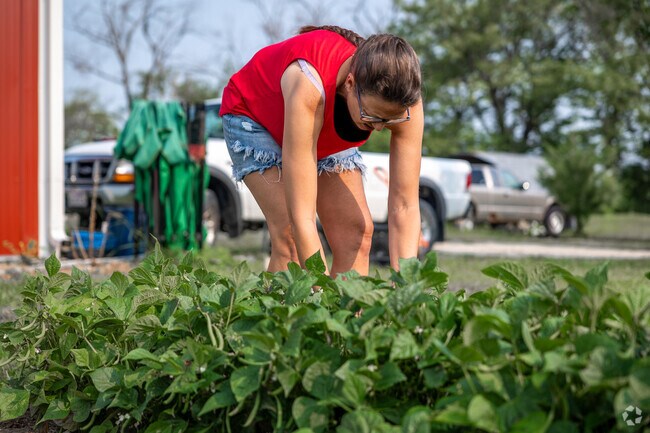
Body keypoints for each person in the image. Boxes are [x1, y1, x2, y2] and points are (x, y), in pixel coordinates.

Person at [219, 25, 423, 276]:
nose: (380, 128)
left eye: (389, 120)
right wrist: (320, 292)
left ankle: (350, 315)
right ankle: (270, 315)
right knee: (290, 238)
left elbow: (404, 205)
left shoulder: (404, 101)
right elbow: (302, 216)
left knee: (356, 233)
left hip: (319, 121)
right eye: (371, 117)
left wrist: (406, 288)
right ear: (350, 83)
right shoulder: (309, 83)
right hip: (254, 116)